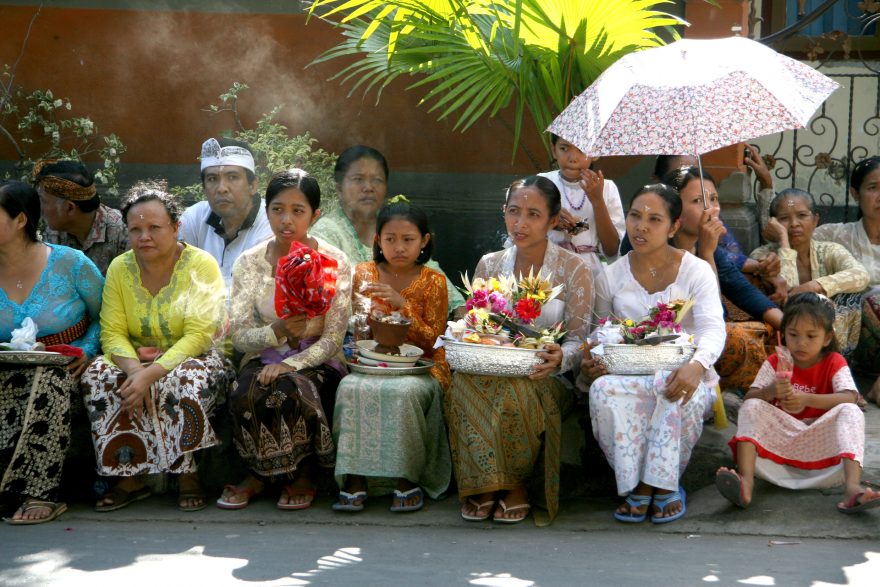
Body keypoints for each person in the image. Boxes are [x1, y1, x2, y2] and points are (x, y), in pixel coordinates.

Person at [446, 176, 592, 526]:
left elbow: (579, 340)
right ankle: (484, 483)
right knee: (461, 384)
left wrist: (561, 357)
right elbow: (476, 326)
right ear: (504, 212)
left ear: (553, 221)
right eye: (514, 212)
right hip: (491, 367)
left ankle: (514, 484)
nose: (520, 223)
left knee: (516, 391)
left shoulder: (574, 269)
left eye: (533, 214)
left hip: (545, 375)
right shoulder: (489, 264)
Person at [82, 181, 230, 512]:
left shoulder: (200, 265)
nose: (144, 237)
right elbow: (112, 331)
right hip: (135, 358)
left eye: (154, 228)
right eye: (135, 229)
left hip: (196, 356)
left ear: (176, 227)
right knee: (98, 376)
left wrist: (151, 374)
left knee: (182, 379)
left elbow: (199, 334)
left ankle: (187, 473)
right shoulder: (120, 268)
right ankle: (130, 475)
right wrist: (136, 370)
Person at [583, 184, 726, 524]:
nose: (641, 227)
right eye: (635, 216)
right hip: (626, 374)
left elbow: (713, 328)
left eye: (654, 219)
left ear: (674, 227)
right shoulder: (611, 275)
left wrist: (697, 366)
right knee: (601, 391)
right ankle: (639, 483)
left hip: (683, 371)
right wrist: (592, 360)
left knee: (674, 389)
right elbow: (598, 330)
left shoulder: (696, 271)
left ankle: (657, 485)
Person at [218, 169, 350, 511]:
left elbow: (334, 338)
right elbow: (240, 336)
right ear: (266, 211)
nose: (286, 220)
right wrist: (275, 331)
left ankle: (305, 474)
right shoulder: (249, 263)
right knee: (245, 392)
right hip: (263, 356)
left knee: (292, 389)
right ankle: (259, 475)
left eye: (297, 210)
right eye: (277, 209)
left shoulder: (334, 262)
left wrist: (290, 364)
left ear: (315, 215)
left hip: (318, 358)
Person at [333, 196, 452, 513]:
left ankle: (405, 477)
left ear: (424, 241)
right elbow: (359, 333)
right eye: (390, 239)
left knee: (404, 392)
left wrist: (403, 305)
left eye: (408, 239)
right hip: (372, 363)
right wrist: (367, 325)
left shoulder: (434, 281)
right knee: (350, 388)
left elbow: (435, 340)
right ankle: (355, 477)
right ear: (377, 240)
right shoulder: (364, 273)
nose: (399, 247)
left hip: (423, 366)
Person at [716, 292, 880, 513]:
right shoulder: (777, 361)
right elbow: (749, 398)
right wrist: (770, 391)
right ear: (784, 334)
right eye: (793, 334)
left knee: (851, 411)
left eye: (811, 336)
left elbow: (850, 397)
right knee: (752, 407)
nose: (801, 343)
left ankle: (852, 488)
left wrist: (806, 399)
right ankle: (746, 482)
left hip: (824, 451)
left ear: (827, 338)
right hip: (778, 450)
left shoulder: (834, 361)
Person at [0, 180, 103, 524]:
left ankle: (40, 493)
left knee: (48, 383)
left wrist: (86, 350)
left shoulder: (70, 263)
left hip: (65, 369)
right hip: (6, 368)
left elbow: (107, 315)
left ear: (20, 220)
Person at [661, 167, 783, 396]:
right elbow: (712, 314)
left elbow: (741, 289)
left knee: (778, 330)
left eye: (714, 199)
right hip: (673, 338)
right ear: (673, 209)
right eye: (698, 201)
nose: (712, 208)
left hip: (708, 334)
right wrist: (706, 255)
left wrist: (788, 324)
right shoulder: (659, 248)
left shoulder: (705, 243)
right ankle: (737, 394)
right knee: (737, 338)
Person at [311, 145, 465, 315]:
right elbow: (329, 298)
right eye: (358, 179)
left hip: (411, 328)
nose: (368, 187)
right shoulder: (325, 233)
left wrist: (463, 316)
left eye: (377, 180)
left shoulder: (394, 223)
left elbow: (430, 271)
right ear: (339, 189)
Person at [751, 189, 870, 359]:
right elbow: (787, 299)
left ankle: (834, 362)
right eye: (784, 218)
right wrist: (784, 241)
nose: (794, 224)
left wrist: (814, 286)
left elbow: (861, 275)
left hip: (829, 341)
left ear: (815, 220)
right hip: (786, 339)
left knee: (851, 295)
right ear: (774, 224)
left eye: (802, 215)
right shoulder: (763, 256)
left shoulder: (829, 250)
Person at [809, 157, 880, 405]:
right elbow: (791, 233)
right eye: (873, 188)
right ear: (855, 193)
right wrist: (766, 189)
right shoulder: (836, 235)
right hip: (855, 342)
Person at [536, 135, 624, 307]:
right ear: (553, 150)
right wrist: (550, 220)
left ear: (595, 153)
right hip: (547, 268)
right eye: (564, 148)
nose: (572, 158)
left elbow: (612, 249)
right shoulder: (542, 183)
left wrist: (598, 201)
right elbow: (526, 229)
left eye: (582, 150)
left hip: (591, 272)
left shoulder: (607, 188)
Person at [179, 138, 272, 285]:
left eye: (233, 177)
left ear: (253, 186)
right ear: (204, 189)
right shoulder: (193, 218)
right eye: (212, 179)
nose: (222, 188)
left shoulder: (272, 222)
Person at [34, 159, 128, 275]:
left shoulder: (123, 233)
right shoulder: (54, 232)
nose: (40, 208)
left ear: (70, 208)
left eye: (44, 201)